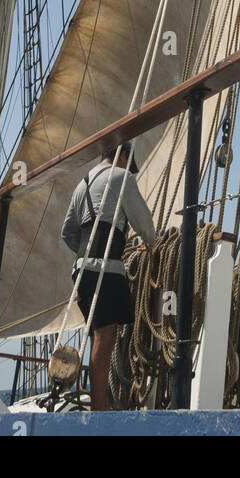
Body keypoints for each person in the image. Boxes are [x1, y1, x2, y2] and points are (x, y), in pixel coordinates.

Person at [61, 141, 155, 411]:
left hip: (82, 270)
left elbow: (67, 233)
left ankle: (98, 402)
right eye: (129, 163)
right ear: (122, 156)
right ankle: (100, 409)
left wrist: (86, 254)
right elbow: (143, 221)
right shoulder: (120, 176)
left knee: (96, 335)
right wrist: (152, 243)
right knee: (105, 338)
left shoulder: (83, 184)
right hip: (106, 270)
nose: (129, 168)